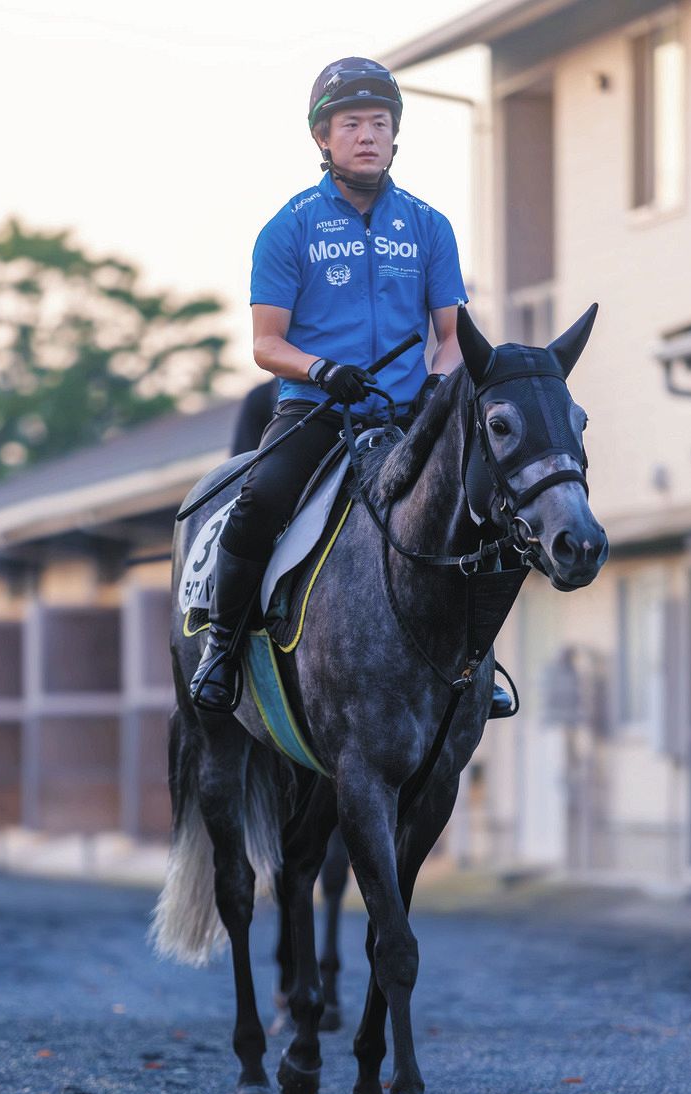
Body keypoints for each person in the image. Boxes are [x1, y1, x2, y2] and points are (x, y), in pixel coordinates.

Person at [190, 56, 511, 717]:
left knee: (486, 516)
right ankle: (221, 647)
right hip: (314, 412)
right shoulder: (289, 228)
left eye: (380, 122)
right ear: (322, 138)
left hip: (405, 419)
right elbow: (265, 344)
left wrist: (433, 389)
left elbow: (451, 336)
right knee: (258, 503)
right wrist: (320, 371)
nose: (368, 134)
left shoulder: (429, 226)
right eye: (351, 123)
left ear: (396, 135)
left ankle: (482, 662)